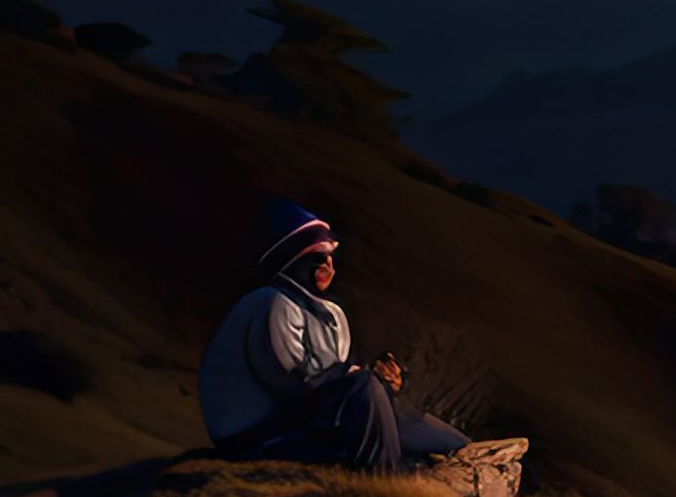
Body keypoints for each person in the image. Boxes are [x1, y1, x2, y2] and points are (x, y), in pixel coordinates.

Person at [197, 198, 471, 472]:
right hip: (252, 435)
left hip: (300, 421)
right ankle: (384, 482)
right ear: (293, 258)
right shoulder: (272, 303)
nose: (330, 267)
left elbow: (334, 380)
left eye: (331, 258)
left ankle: (460, 448)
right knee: (365, 388)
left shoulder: (331, 315)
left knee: (383, 399)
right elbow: (295, 379)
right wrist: (364, 380)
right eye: (318, 258)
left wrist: (383, 385)